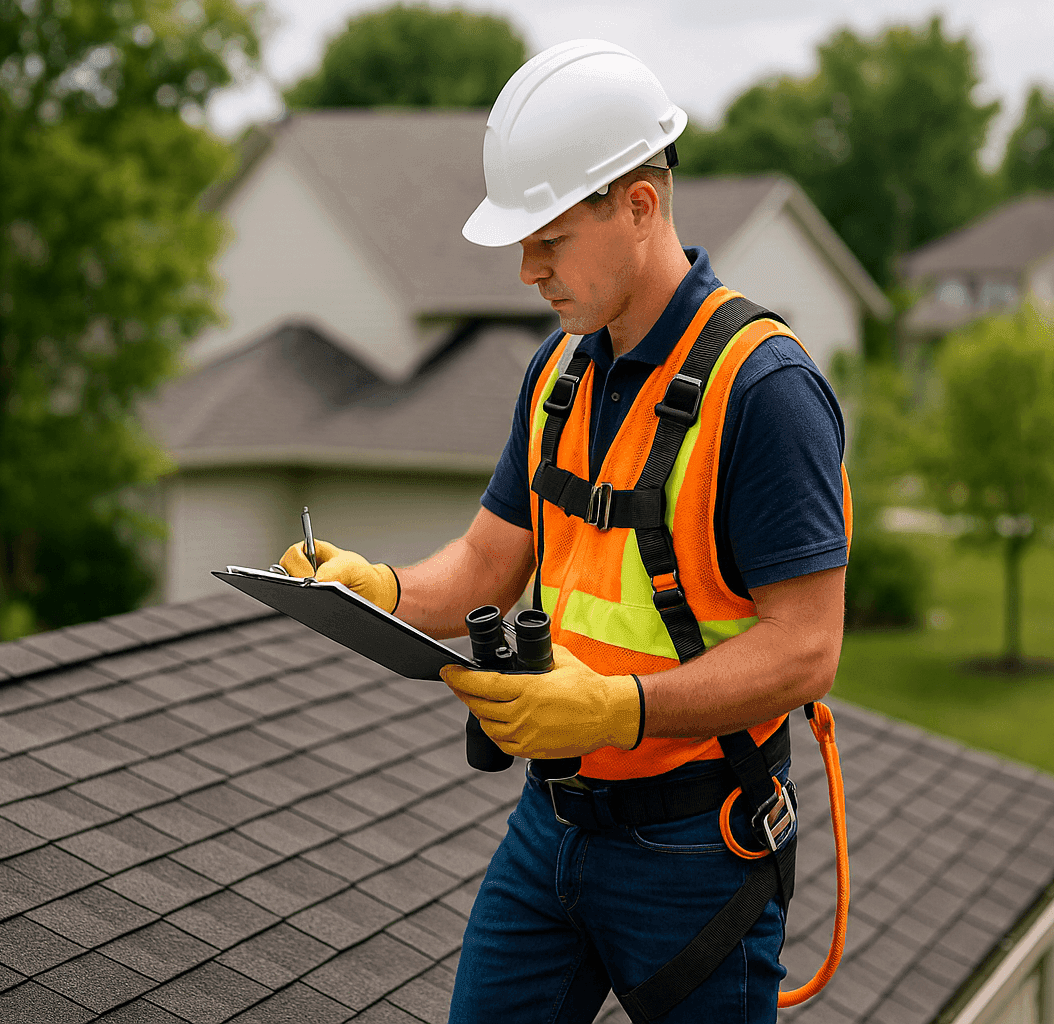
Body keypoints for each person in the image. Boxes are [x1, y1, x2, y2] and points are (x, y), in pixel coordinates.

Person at [279, 39, 850, 1024]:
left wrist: (615, 710)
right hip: (552, 828)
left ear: (638, 203)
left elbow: (806, 651)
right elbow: (482, 569)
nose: (526, 270)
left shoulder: (764, 389)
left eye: (547, 238)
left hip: (697, 846)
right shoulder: (558, 376)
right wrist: (377, 590)